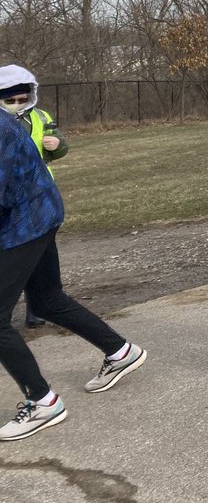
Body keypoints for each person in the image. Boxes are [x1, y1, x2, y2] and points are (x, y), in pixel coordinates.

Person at [0, 108, 147, 441]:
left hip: (24, 225)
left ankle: (42, 402)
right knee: (48, 300)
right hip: (39, 214)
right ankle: (120, 352)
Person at [0, 67, 67, 329]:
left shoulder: (39, 116)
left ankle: (40, 305)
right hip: (14, 199)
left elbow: (60, 142)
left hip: (39, 198)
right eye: (10, 100)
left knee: (37, 255)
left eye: (21, 99)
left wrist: (57, 145)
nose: (17, 105)